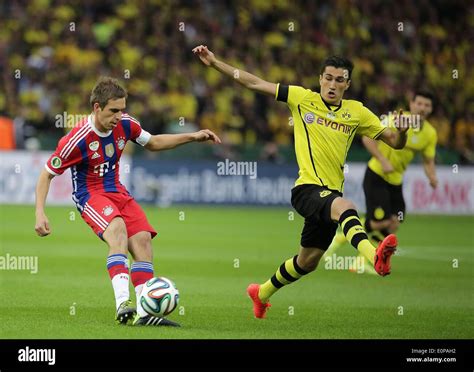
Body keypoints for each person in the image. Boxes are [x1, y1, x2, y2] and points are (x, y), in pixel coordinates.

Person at [193, 45, 409, 319]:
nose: (332, 84)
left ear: (347, 84)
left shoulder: (357, 112)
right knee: (346, 207)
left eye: (339, 80)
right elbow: (255, 82)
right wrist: (215, 63)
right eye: (328, 78)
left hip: (329, 194)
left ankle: (261, 293)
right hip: (306, 190)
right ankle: (373, 255)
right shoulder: (301, 98)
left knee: (307, 262)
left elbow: (395, 142)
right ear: (320, 79)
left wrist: (401, 133)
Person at [34, 76, 221, 326]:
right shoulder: (76, 139)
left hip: (118, 191)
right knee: (118, 231)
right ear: (97, 107)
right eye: (113, 111)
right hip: (90, 195)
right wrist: (40, 213)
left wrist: (193, 136)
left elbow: (153, 142)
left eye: (122, 110)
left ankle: (146, 313)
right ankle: (123, 303)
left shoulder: (125, 125)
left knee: (143, 240)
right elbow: (47, 173)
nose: (119, 116)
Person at [362, 90, 438, 243]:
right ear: (411, 104)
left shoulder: (430, 133)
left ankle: (368, 259)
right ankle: (346, 233)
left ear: (431, 109)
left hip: (396, 180)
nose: (423, 108)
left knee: (395, 221)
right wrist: (383, 160)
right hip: (377, 174)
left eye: (427, 105)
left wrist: (432, 176)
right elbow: (367, 139)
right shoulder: (394, 120)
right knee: (379, 222)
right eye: (420, 103)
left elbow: (428, 160)